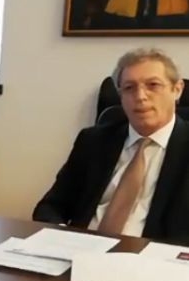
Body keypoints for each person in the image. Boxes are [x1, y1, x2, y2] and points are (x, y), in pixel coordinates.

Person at [33, 48, 189, 244]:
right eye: (129, 88)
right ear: (120, 95)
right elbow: (51, 206)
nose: (140, 96)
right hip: (80, 249)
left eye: (153, 85)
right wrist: (61, 237)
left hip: (153, 257)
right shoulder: (93, 141)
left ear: (177, 89)